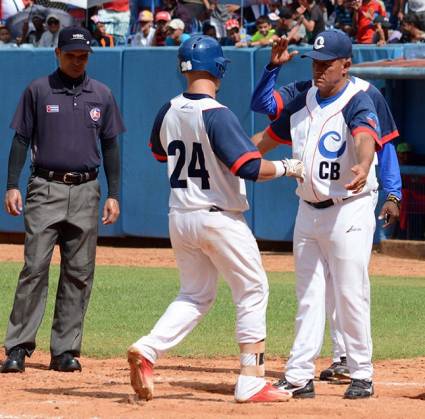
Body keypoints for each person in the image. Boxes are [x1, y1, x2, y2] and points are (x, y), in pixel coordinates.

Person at [126, 34, 305, 403]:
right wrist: (290, 167)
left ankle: (148, 349)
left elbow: (161, 155)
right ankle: (252, 379)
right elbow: (250, 167)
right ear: (218, 68)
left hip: (180, 215)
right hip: (218, 217)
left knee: (194, 295)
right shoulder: (217, 114)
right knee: (253, 289)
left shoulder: (167, 109)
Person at [250, 34, 402, 381]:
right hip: (309, 206)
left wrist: (392, 193)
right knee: (313, 294)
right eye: (314, 60)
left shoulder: (364, 97)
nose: (318, 67)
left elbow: (378, 144)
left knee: (348, 289)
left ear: (346, 64)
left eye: (326, 61)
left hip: (350, 205)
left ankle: (354, 363)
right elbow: (263, 107)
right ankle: (308, 370)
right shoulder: (303, 95)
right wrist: (272, 67)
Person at [1, 26, 125, 374]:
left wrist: (114, 193)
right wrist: (12, 183)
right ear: (57, 54)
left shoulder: (101, 94)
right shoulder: (39, 90)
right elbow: (21, 139)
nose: (76, 61)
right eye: (70, 55)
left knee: (79, 273)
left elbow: (112, 146)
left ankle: (65, 351)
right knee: (34, 268)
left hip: (87, 189)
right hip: (45, 187)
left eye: (82, 56)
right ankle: (18, 348)